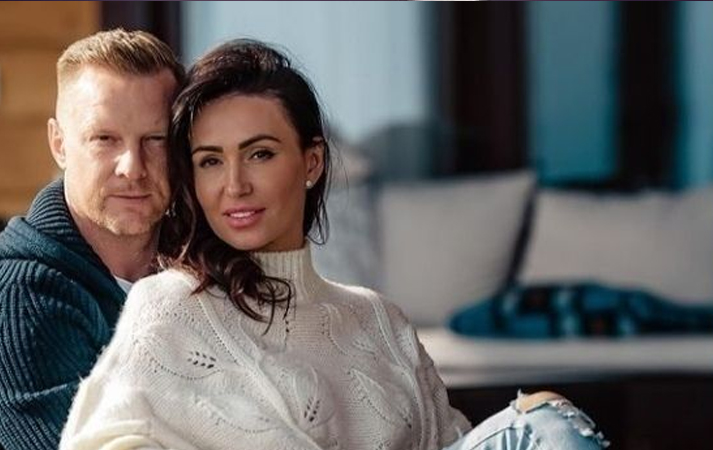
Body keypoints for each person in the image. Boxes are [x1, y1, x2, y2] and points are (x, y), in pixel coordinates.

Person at [59, 39, 608, 450]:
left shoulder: (380, 322)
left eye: (259, 154)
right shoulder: (171, 306)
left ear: (312, 162)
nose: (234, 185)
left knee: (547, 423)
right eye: (210, 162)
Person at [0, 29, 185, 450]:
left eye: (156, 139)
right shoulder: (14, 302)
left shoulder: (193, 269)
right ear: (59, 144)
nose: (132, 166)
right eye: (104, 139)